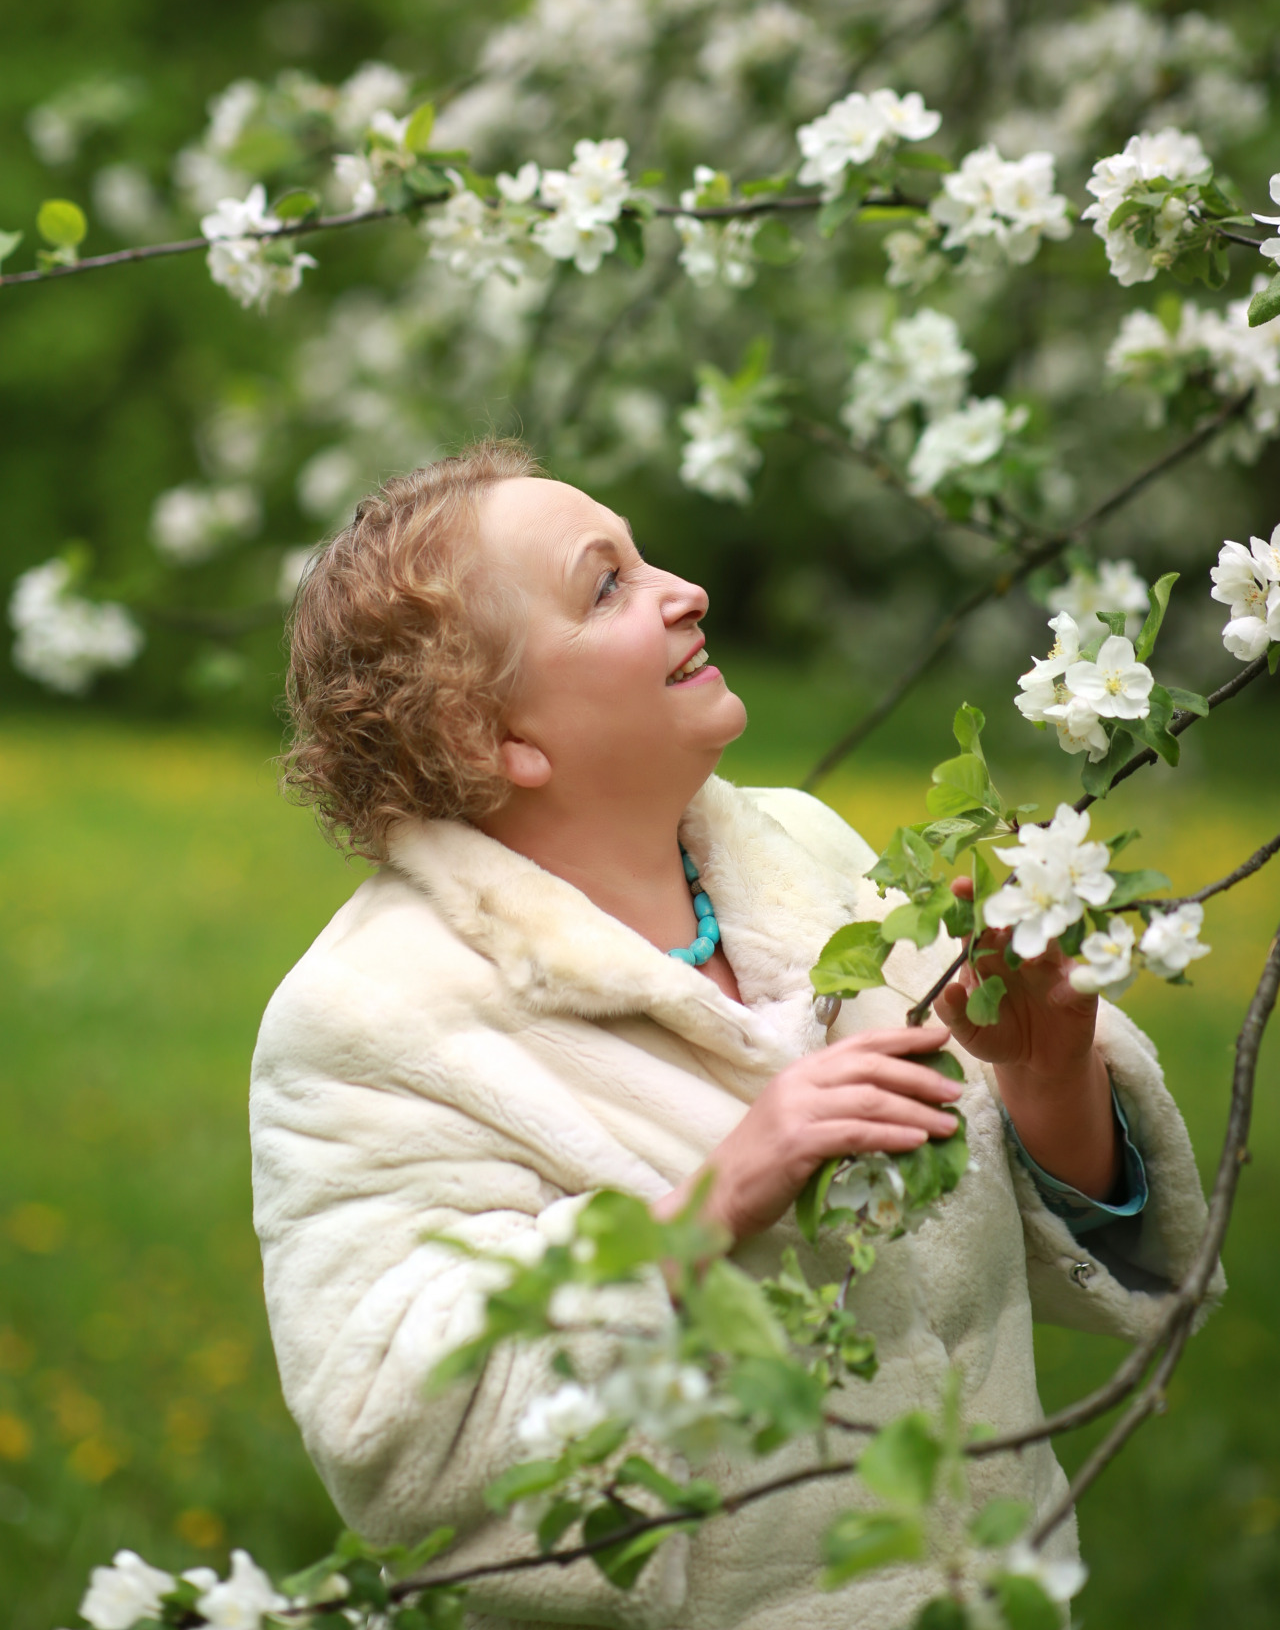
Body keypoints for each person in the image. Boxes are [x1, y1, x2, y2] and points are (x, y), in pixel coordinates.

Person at [250, 441, 1216, 1630]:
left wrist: (1045, 1071)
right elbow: (394, 1438)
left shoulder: (806, 860)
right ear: (485, 735)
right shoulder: (372, 1016)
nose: (682, 589)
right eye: (605, 584)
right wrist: (709, 1205)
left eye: (644, 555)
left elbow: (1046, 1242)